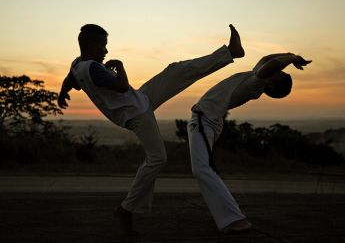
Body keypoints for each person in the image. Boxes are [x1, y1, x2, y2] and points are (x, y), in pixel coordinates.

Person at [57, 23, 245, 234]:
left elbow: (69, 79)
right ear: (90, 46)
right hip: (136, 113)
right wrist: (120, 66)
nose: (106, 51)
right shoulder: (92, 67)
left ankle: (230, 52)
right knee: (158, 158)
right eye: (103, 46)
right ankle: (126, 209)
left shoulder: (77, 65)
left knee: (177, 70)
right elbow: (121, 86)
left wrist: (62, 93)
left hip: (140, 100)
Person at [187, 51, 311, 233]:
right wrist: (288, 54)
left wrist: (291, 59)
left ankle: (235, 220)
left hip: (204, 121)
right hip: (204, 120)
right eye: (281, 71)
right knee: (205, 168)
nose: (279, 70)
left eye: (280, 73)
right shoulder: (253, 78)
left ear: (271, 82)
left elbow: (272, 64)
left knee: (201, 169)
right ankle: (227, 215)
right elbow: (266, 60)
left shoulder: (255, 84)